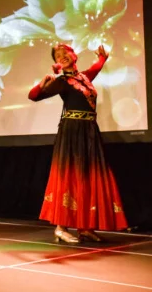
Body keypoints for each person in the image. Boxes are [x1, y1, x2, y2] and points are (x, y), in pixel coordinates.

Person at [28, 43, 128, 243]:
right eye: (57, 55)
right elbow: (33, 96)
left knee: (89, 176)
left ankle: (85, 227)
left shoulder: (83, 77)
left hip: (89, 130)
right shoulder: (63, 81)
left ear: (74, 55)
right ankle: (60, 227)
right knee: (70, 175)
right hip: (72, 131)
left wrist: (103, 58)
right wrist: (45, 81)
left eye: (65, 52)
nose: (62, 55)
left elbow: (95, 68)